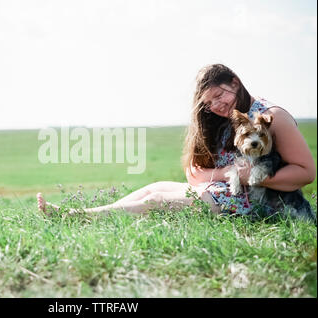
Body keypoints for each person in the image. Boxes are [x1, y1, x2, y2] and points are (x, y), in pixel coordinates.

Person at [37, 64, 316, 217]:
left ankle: (78, 217)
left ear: (234, 82)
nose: (217, 106)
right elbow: (201, 173)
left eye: (220, 96)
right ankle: (84, 212)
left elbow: (306, 172)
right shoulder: (223, 120)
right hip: (225, 191)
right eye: (209, 103)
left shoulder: (271, 116)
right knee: (154, 187)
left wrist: (248, 177)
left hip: (259, 203)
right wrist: (217, 174)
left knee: (158, 200)